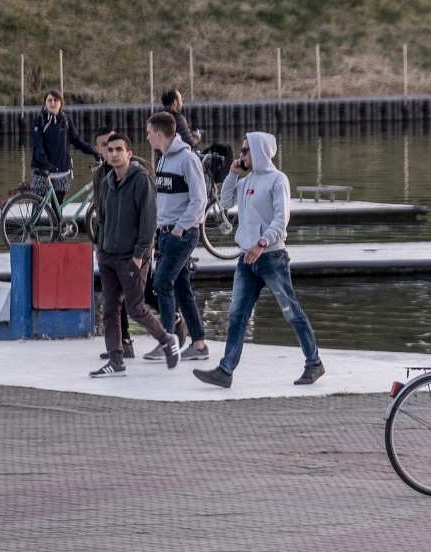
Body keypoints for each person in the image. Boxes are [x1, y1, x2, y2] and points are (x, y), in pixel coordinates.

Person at [193, 132, 325, 388]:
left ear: (260, 151)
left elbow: (281, 218)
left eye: (246, 151)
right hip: (246, 259)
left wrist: (262, 242)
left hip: (271, 257)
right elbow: (225, 203)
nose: (241, 155)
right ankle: (226, 370)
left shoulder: (278, 180)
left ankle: (314, 363)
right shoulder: (246, 181)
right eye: (241, 151)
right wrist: (232, 174)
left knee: (291, 312)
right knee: (237, 315)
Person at [90, 126, 187, 361]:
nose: (111, 153)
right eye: (107, 148)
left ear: (128, 153)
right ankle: (117, 357)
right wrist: (100, 247)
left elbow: (148, 219)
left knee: (136, 307)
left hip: (132, 255)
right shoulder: (104, 179)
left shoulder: (141, 178)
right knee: (110, 310)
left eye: (117, 149)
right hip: (108, 255)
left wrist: (140, 253)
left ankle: (168, 339)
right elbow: (101, 216)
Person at [144, 112, 209, 362]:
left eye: (150, 133)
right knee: (181, 288)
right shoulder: (162, 161)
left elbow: (199, 200)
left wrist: (180, 228)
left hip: (181, 233)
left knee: (162, 283)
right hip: (165, 232)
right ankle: (200, 344)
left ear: (159, 134)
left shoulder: (187, 160)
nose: (148, 137)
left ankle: (168, 340)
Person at [30, 89, 99, 204]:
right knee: (38, 206)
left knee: (58, 207)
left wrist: (93, 152)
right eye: (49, 100)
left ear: (61, 103)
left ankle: (57, 222)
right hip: (42, 170)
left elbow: (77, 141)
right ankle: (33, 222)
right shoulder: (39, 121)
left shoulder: (66, 120)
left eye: (56, 100)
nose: (52, 103)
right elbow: (38, 146)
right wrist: (45, 162)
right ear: (45, 103)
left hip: (62, 170)